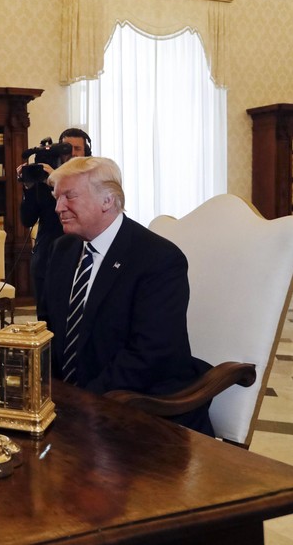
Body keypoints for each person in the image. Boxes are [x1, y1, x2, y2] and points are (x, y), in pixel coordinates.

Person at [38, 156, 214, 436]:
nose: (59, 207)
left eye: (69, 196)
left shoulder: (158, 259)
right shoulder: (63, 249)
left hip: (143, 411)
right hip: (72, 409)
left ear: (107, 200)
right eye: (57, 198)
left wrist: (77, 400)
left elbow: (150, 354)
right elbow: (47, 328)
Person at [20, 128, 91, 301]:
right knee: (45, 319)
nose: (72, 153)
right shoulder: (44, 177)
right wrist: (29, 188)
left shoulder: (93, 178)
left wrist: (57, 181)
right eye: (67, 148)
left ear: (87, 152)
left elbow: (86, 211)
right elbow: (27, 219)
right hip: (47, 257)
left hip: (81, 258)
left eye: (78, 149)